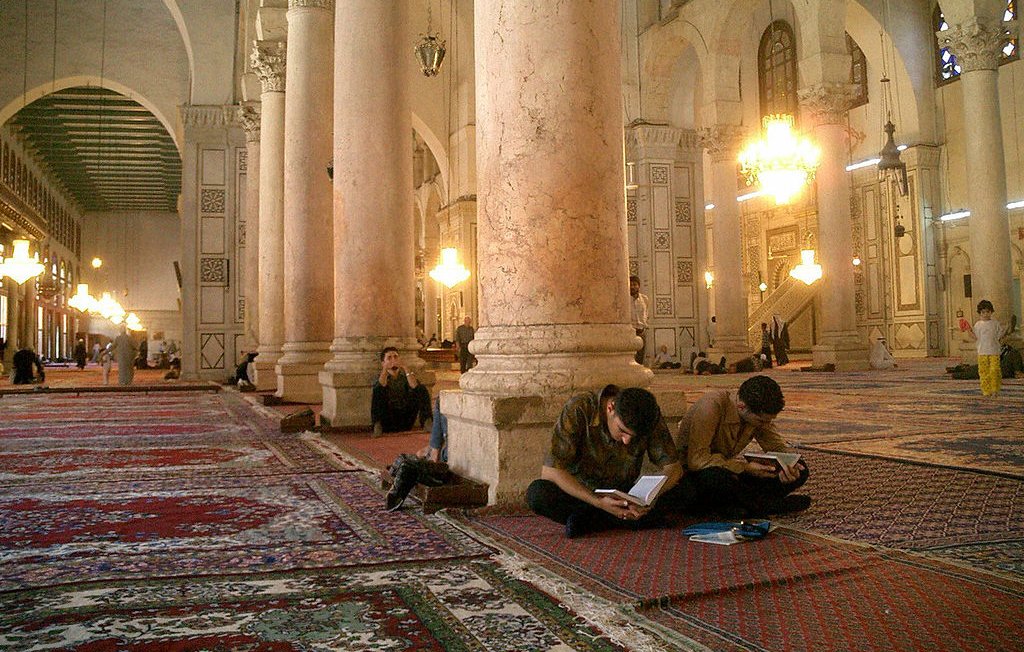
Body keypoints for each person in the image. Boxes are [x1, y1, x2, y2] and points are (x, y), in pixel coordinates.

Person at [526, 385, 693, 538]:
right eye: (622, 431)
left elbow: (673, 468)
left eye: (633, 437)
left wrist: (646, 499)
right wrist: (599, 503)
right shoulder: (580, 409)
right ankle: (618, 518)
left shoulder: (649, 414)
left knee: (687, 487)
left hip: (625, 494)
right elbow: (551, 471)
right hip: (583, 495)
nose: (627, 441)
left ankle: (596, 520)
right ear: (610, 407)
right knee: (538, 493)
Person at [676, 375, 810, 519]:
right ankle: (765, 506)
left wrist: (789, 465)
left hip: (729, 471)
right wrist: (745, 468)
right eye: (761, 421)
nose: (765, 425)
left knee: (801, 469)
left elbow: (776, 446)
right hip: (697, 475)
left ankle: (744, 505)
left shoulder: (756, 415)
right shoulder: (711, 406)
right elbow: (697, 461)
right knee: (715, 479)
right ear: (741, 406)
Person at [371, 346, 432, 437]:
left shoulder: (406, 377)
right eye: (389, 358)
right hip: (388, 420)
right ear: (383, 362)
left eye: (395, 357)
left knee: (421, 389)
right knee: (378, 390)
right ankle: (377, 426)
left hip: (405, 418)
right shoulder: (380, 378)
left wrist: (405, 367)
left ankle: (427, 421)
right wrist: (385, 369)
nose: (393, 360)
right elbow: (380, 386)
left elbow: (415, 386)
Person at [968, 299, 1005, 396]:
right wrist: (968, 331)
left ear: (991, 312)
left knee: (994, 370)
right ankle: (986, 390)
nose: (985, 314)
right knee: (983, 372)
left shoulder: (995, 323)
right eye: (983, 312)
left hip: (994, 351)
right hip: (982, 352)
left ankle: (995, 389)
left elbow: (1000, 335)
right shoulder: (978, 325)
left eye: (988, 312)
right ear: (980, 313)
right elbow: (975, 337)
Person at [629, 275, 649, 365]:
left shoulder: (644, 299)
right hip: (630, 331)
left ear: (639, 286)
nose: (632, 287)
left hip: (641, 331)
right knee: (630, 358)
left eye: (635, 284)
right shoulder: (625, 299)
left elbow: (646, 313)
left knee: (640, 358)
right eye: (631, 285)